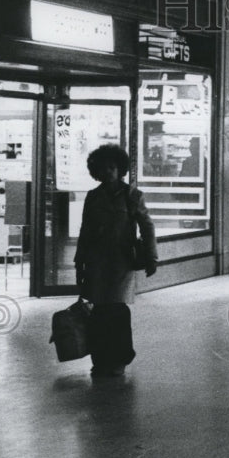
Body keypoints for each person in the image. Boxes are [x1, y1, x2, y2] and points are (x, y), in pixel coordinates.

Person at [75, 144, 157, 377]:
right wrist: (79, 262)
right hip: (96, 261)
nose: (108, 172)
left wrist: (151, 257)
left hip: (122, 261)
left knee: (117, 309)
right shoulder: (92, 197)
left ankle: (119, 359)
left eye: (112, 167)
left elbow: (147, 227)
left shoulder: (132, 195)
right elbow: (85, 231)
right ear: (96, 171)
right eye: (103, 168)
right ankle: (100, 359)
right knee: (99, 310)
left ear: (119, 169)